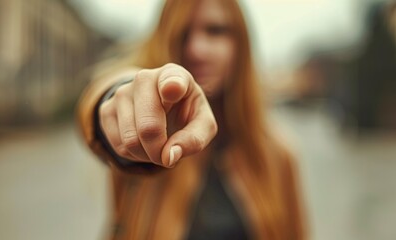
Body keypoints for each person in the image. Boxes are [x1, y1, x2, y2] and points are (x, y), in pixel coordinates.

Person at [77, 0, 307, 239]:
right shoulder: (150, 142)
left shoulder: (278, 157)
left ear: (241, 44)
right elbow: (99, 103)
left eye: (215, 30)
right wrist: (120, 95)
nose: (196, 50)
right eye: (183, 33)